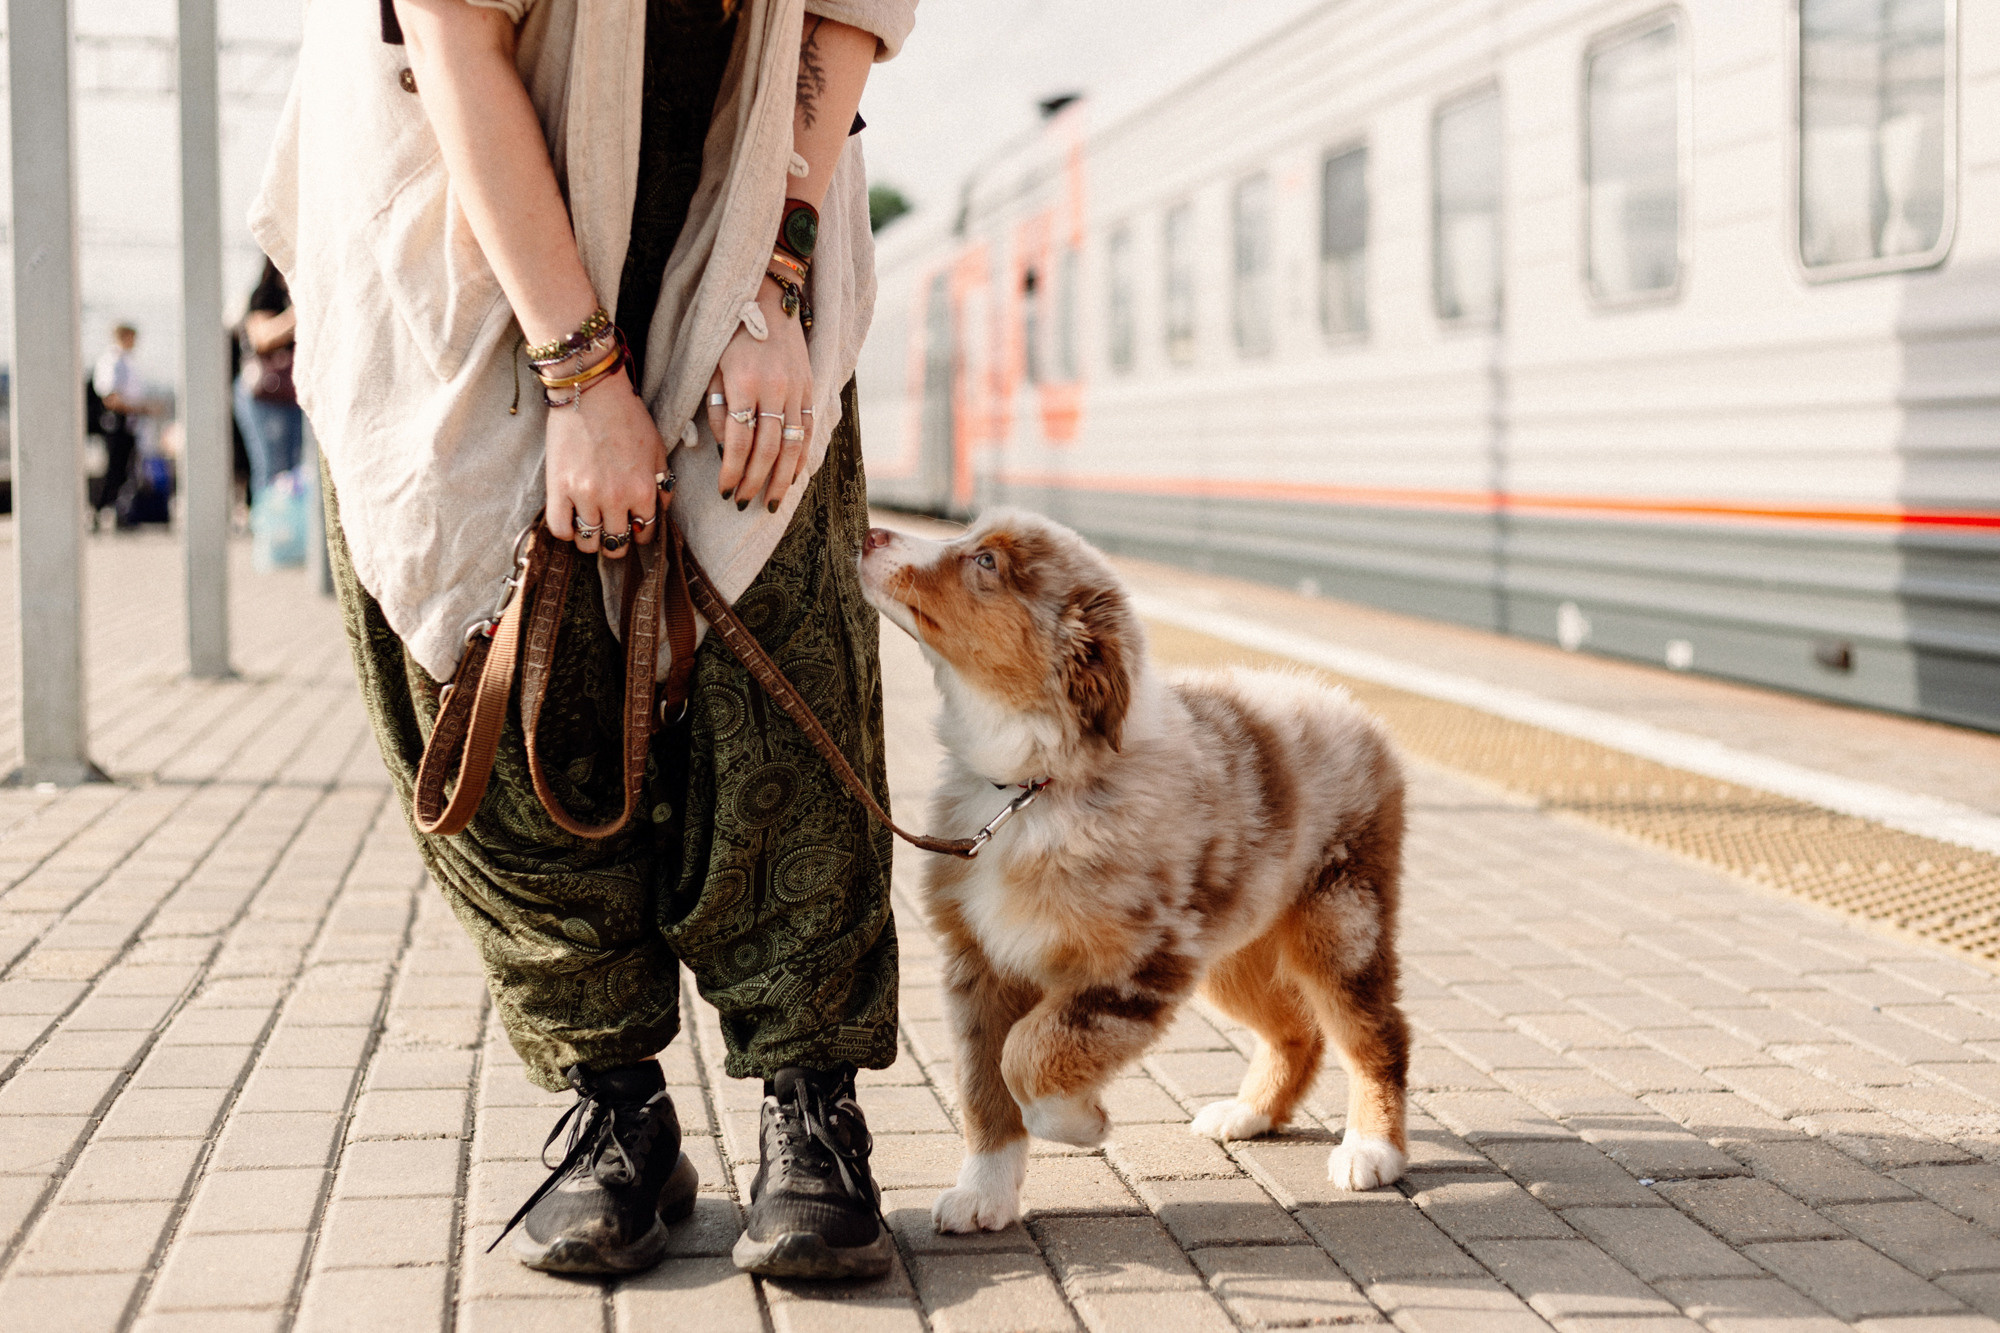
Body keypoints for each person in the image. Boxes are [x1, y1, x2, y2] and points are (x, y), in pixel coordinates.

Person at [252, 0, 915, 1282]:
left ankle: (808, 1102)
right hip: (460, 202)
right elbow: (454, 41)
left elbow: (839, 23)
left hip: (728, 187)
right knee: (499, 668)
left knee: (785, 637)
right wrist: (580, 379)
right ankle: (614, 1101)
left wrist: (771, 283)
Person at [234, 257, 303, 498]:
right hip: (263, 396)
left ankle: (286, 528)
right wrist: (300, 311)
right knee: (271, 466)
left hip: (293, 395)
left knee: (292, 468)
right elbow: (261, 338)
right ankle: (270, 530)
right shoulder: (265, 294)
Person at [88, 323, 148, 525]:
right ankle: (98, 510)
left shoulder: (127, 362)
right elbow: (110, 397)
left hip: (128, 423)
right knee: (113, 468)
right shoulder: (111, 361)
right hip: (115, 423)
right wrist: (141, 409)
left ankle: (118, 511)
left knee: (125, 469)